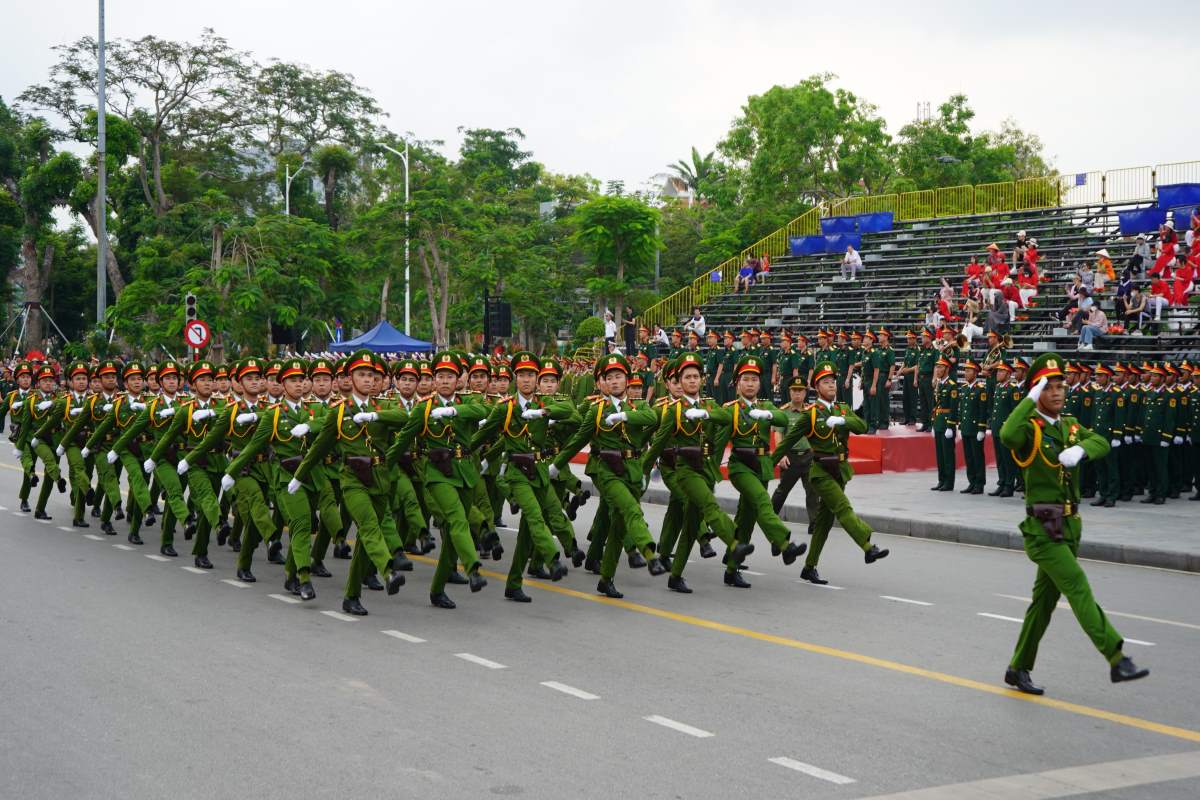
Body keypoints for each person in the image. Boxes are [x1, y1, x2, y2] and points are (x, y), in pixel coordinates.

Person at [998, 352, 1148, 696]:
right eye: (1049, 388)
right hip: (1043, 528)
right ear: (1037, 392)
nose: (1058, 393)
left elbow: (1100, 441)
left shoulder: (1070, 426)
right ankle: (1116, 656)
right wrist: (1027, 401)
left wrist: (1081, 451)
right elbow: (1007, 434)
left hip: (1070, 526)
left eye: (1061, 386)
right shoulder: (1029, 430)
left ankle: (1018, 667)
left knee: (1044, 603)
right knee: (1078, 585)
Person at [772, 361, 888, 585]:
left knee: (824, 523)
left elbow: (862, 427)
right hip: (821, 471)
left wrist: (843, 420)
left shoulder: (842, 409)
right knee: (843, 507)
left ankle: (809, 567)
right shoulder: (811, 415)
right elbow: (788, 442)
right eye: (826, 382)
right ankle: (868, 547)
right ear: (817, 387)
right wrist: (768, 465)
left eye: (833, 381)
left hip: (840, 470)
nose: (832, 385)